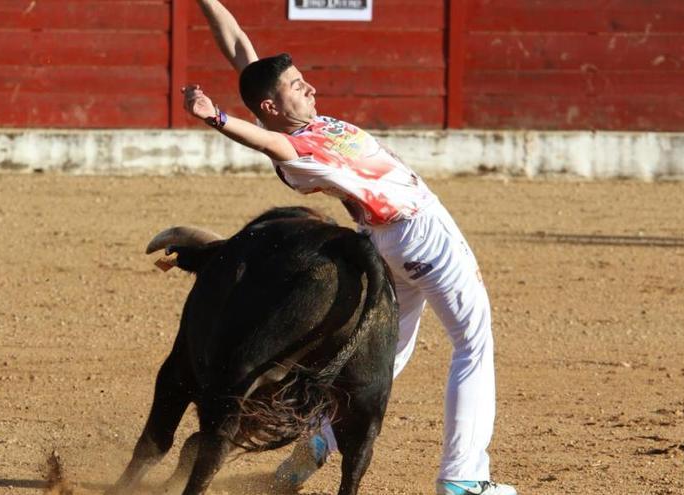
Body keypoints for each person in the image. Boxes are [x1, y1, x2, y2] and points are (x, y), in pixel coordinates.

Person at [186, 2, 517, 494]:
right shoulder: (300, 150)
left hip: (386, 243)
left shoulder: (295, 122)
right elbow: (269, 144)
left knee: (385, 355)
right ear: (273, 109)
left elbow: (239, 47)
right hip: (418, 231)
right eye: (297, 87)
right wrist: (218, 118)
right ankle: (463, 478)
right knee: (473, 341)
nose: (310, 87)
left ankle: (317, 444)